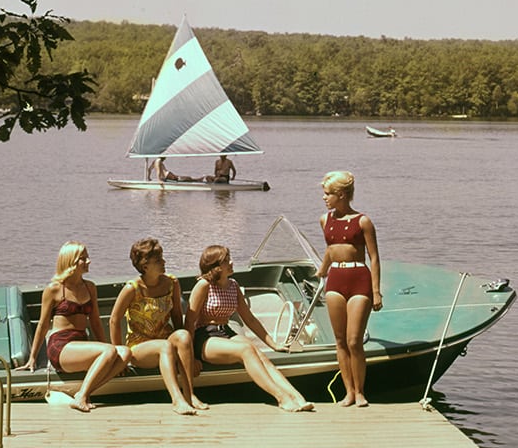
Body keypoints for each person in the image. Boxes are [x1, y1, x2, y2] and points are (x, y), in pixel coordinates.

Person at [187, 245, 315, 412]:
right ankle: (282, 398)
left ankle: (296, 397)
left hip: (225, 331)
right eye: (226, 261)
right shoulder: (204, 285)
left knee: (259, 353)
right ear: (216, 267)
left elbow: (250, 319)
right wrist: (190, 358)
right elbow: (189, 322)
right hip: (204, 336)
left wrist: (273, 344)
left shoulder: (233, 285)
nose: (231, 262)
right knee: (246, 349)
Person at [18, 241, 130, 412]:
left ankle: (82, 393)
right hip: (61, 346)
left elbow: (95, 322)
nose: (89, 261)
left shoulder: (90, 287)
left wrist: (112, 357)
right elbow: (42, 325)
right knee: (110, 351)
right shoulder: (54, 289)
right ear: (71, 261)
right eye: (83, 258)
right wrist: (32, 357)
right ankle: (82, 396)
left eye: (87, 257)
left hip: (81, 343)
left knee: (124, 352)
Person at [109, 238, 205, 415]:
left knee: (183, 335)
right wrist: (119, 357)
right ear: (145, 266)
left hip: (165, 339)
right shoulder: (132, 288)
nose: (164, 262)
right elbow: (114, 320)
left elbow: (177, 315)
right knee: (165, 346)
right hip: (139, 347)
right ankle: (177, 400)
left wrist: (190, 355)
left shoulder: (171, 283)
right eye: (158, 260)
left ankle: (190, 394)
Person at [318, 170, 382, 408]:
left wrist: (376, 291)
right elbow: (330, 248)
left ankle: (360, 391)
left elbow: (374, 258)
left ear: (341, 195)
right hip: (335, 279)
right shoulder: (325, 220)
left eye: (328, 194)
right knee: (340, 340)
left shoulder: (363, 221)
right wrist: (322, 270)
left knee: (354, 340)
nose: (324, 198)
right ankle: (349, 393)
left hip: (359, 279)